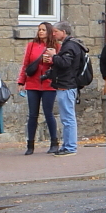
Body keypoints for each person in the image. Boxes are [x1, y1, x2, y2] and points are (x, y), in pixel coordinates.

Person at [43, 21, 86, 157]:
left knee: (68, 118)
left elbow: (66, 64)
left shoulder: (70, 46)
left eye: (56, 32)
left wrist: (53, 56)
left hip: (66, 86)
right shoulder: (71, 45)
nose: (53, 34)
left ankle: (70, 147)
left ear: (64, 32)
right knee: (67, 118)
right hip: (66, 85)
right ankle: (67, 145)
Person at [18, 21, 60, 154]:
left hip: (48, 84)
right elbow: (25, 65)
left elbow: (61, 64)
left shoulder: (57, 46)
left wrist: (52, 60)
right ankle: (30, 145)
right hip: (32, 83)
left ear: (49, 31)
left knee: (48, 114)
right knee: (32, 115)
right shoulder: (31, 45)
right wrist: (21, 82)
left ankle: (54, 143)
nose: (40, 32)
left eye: (43, 29)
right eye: (39, 29)